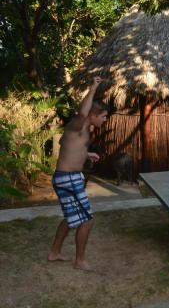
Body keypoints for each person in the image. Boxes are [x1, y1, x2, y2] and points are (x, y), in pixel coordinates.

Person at [47, 76, 108, 271]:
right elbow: (82, 112)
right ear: (93, 114)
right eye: (103, 116)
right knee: (87, 220)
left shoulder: (82, 131)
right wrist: (93, 87)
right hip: (68, 179)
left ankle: (54, 252)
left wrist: (86, 154)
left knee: (71, 217)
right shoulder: (77, 124)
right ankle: (80, 261)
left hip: (67, 178)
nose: (105, 120)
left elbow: (66, 145)